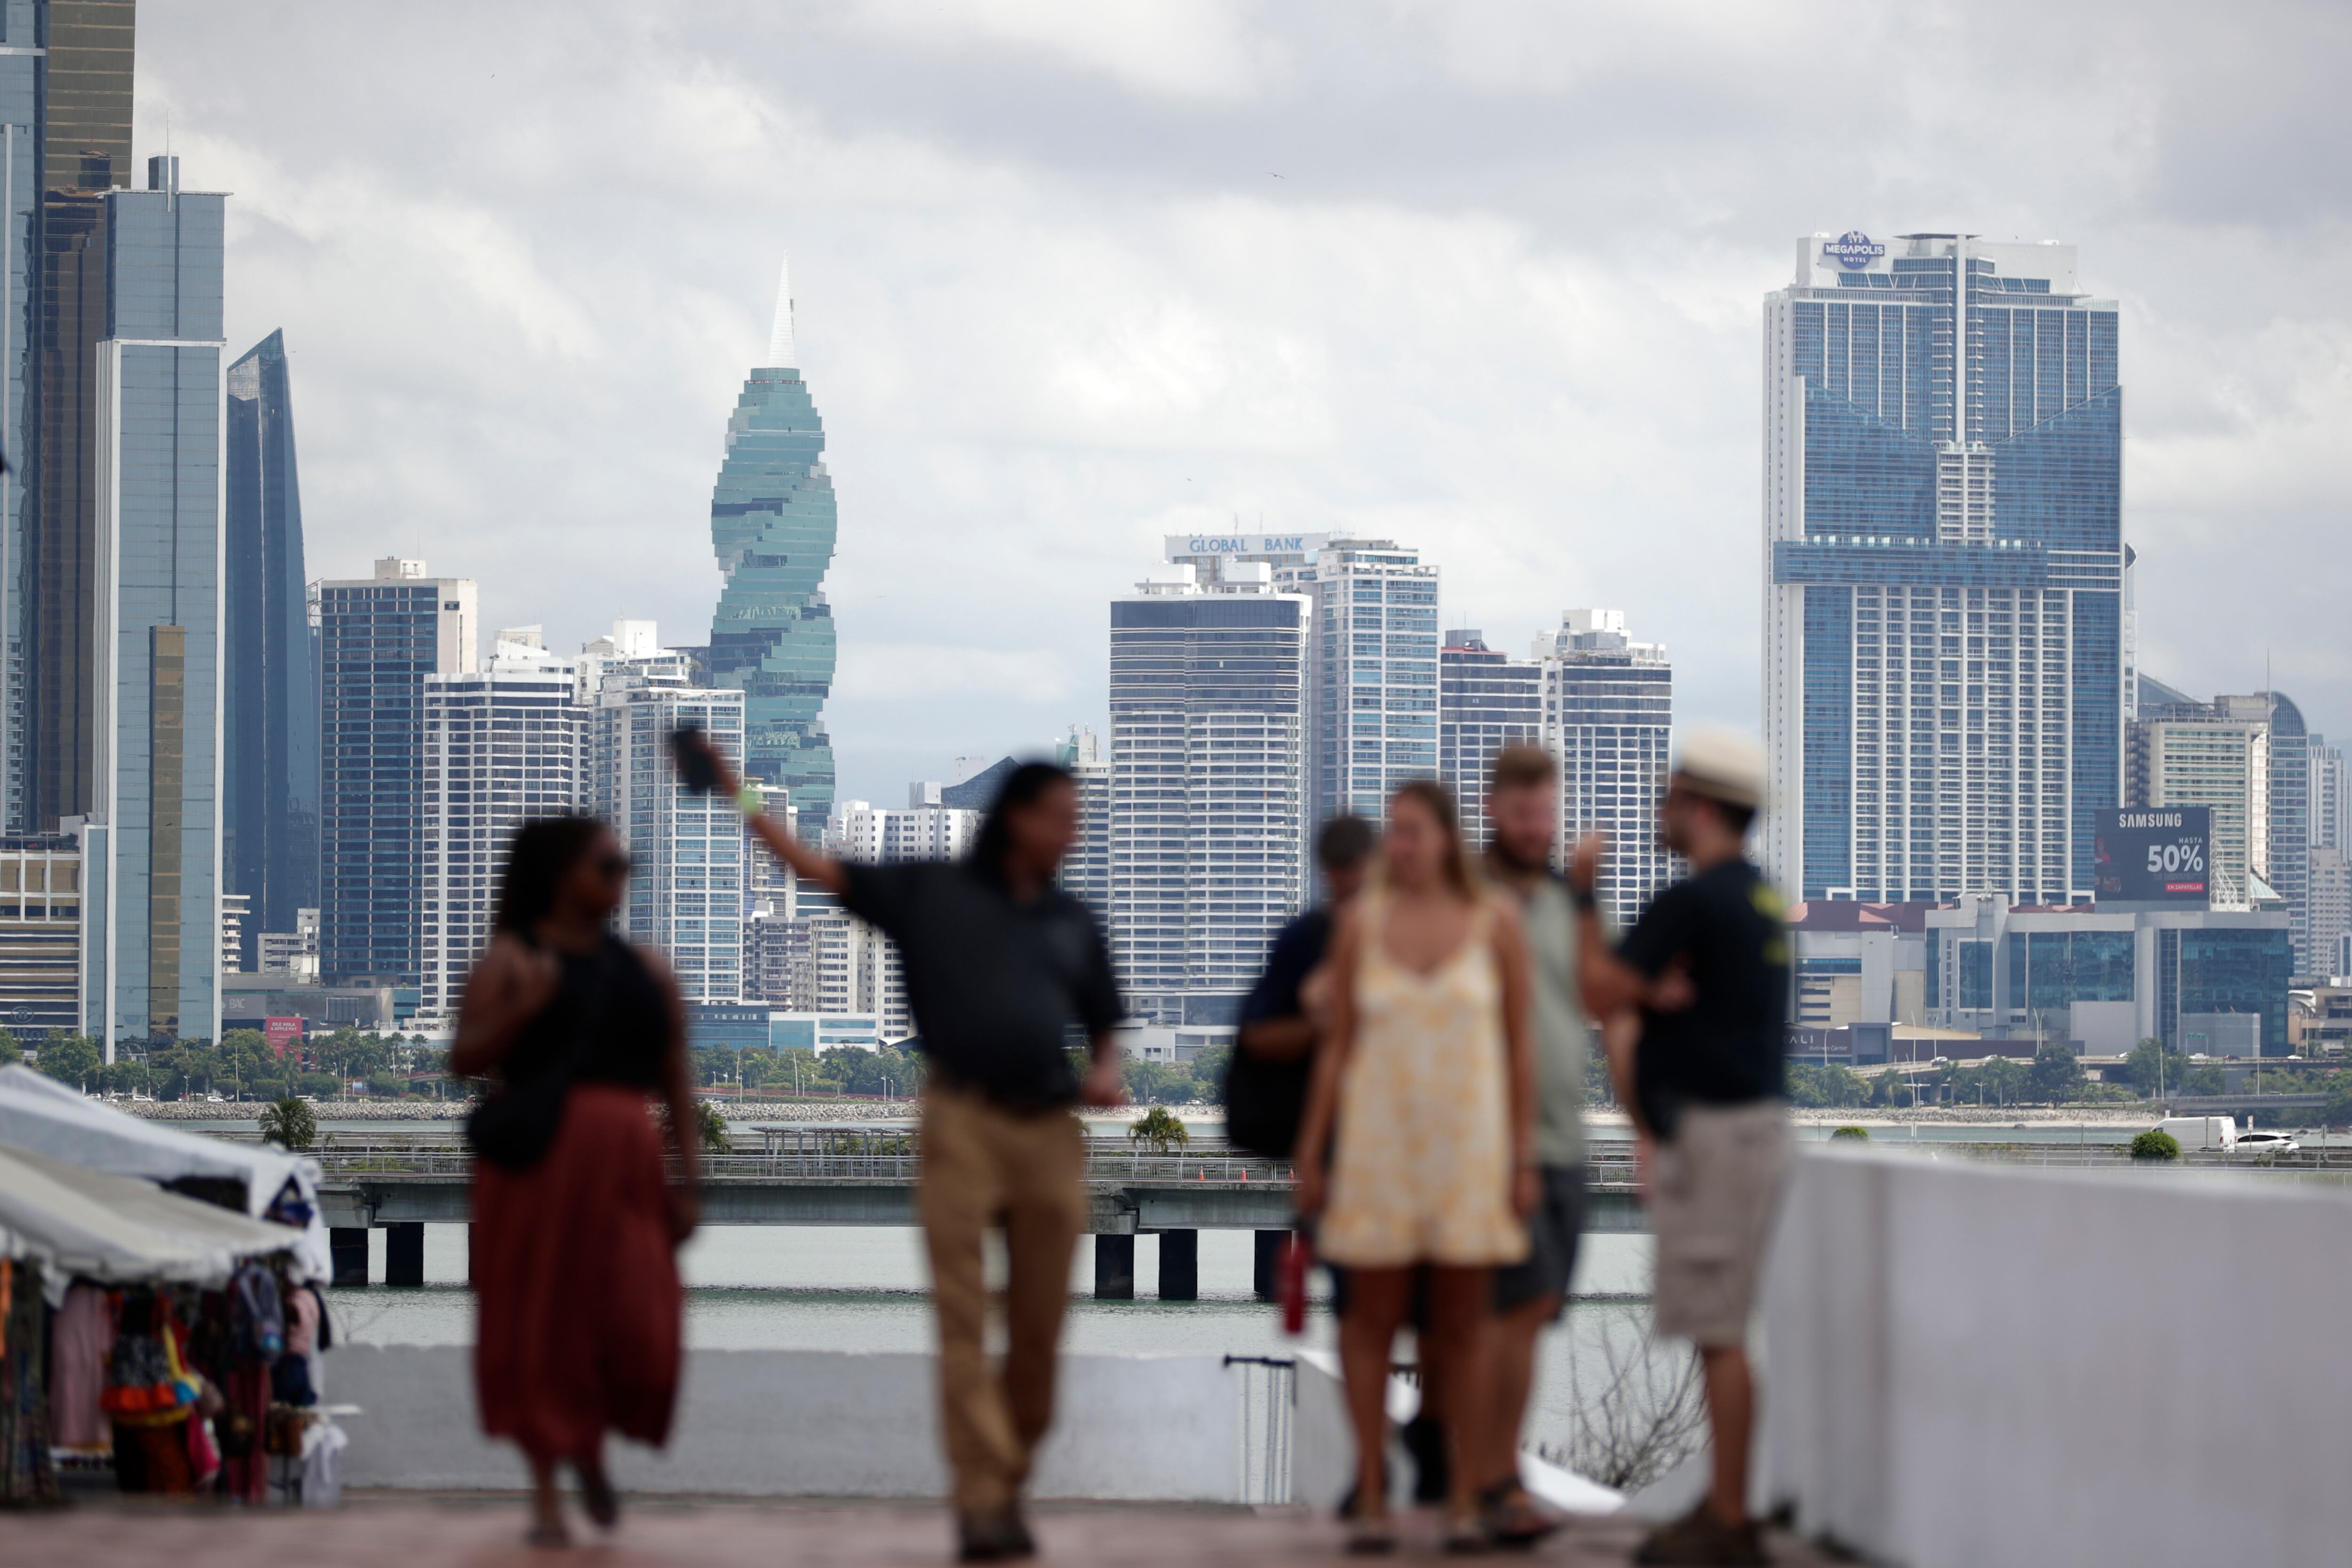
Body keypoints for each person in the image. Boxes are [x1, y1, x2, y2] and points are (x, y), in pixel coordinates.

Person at [686, 736, 1122, 1563]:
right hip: (960, 1122)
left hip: (1050, 1134)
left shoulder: (1073, 920)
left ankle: (1004, 1475)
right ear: (1020, 818)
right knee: (963, 1321)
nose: (1076, 832)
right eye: (1064, 817)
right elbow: (806, 864)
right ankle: (984, 1499)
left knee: (1038, 1331)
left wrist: (1104, 1073)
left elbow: (1106, 1031)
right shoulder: (932, 890)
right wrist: (737, 790)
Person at [1294, 780, 1537, 1552]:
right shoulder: (1360, 925)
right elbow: (1336, 1047)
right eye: (1393, 831)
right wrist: (1310, 1147)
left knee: (1465, 1325)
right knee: (1369, 1318)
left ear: (1447, 837)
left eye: (1413, 831)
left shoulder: (1497, 922)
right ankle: (1370, 1490)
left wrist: (1523, 1153)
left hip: (1468, 1151)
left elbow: (1519, 1047)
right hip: (1378, 1148)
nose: (1400, 845)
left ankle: (1466, 1495)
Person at [1566, 730, 1789, 1568]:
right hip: (1751, 1127)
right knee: (1721, 1329)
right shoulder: (1761, 898)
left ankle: (1731, 1519)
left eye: (1671, 795)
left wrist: (1584, 892)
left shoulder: (1693, 902)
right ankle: (1724, 1508)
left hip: (1719, 1134)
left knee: (1722, 1332)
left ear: (1699, 806)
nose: (1661, 808)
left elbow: (1595, 988)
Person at [452, 814, 698, 1549]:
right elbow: (464, 1057)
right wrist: (525, 1007)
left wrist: (690, 1175)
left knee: (639, 1322)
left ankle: (588, 1445)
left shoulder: (646, 968)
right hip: (536, 1162)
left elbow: (678, 1076)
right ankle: (548, 1498)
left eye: (625, 867)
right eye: (607, 866)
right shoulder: (511, 959)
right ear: (561, 875)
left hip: (625, 1162)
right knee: (538, 1324)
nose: (620, 879)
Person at [1472, 745, 1595, 1546]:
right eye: (1523, 813)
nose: (1537, 827)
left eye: (1547, 813)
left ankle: (1482, 1468)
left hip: (1566, 1137)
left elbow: (1607, 997)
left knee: (1536, 1308)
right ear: (1494, 810)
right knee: (1508, 1311)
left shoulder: (1568, 901)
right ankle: (1493, 1479)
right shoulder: (1469, 898)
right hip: (1490, 1142)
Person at [1227, 814, 1376, 1157]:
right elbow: (1257, 1035)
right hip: (1333, 1130)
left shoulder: (1400, 935)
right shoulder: (1306, 939)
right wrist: (1326, 1026)